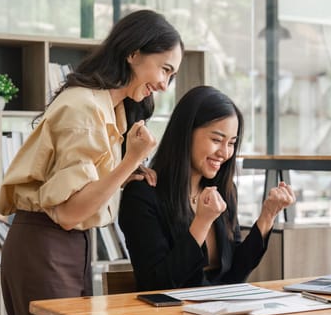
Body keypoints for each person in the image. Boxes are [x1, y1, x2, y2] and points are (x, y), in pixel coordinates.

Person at [0, 9, 184, 315]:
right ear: (134, 53)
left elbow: (81, 189)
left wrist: (123, 176)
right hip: (47, 245)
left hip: (69, 247)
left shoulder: (113, 111)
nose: (164, 84)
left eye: (172, 76)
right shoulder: (84, 106)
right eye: (164, 69)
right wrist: (129, 162)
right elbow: (69, 213)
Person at [119, 85, 296, 292]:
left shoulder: (222, 192)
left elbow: (235, 274)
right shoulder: (142, 195)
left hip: (219, 313)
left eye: (231, 143)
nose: (224, 152)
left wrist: (268, 215)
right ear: (186, 132)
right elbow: (158, 284)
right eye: (216, 140)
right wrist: (202, 222)